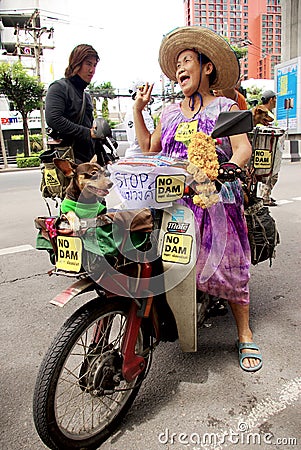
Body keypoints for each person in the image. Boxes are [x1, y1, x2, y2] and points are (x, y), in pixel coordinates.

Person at [133, 26, 262, 372]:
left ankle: (245, 331)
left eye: (186, 60)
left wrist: (229, 169)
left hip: (216, 198)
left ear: (207, 68)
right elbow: (149, 148)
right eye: (176, 64)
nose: (179, 69)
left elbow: (242, 147)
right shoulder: (171, 112)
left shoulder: (224, 106)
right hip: (176, 201)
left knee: (231, 265)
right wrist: (139, 110)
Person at [45, 44, 99, 164]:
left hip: (87, 162)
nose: (92, 70)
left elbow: (91, 131)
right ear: (76, 63)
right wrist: (86, 133)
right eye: (88, 64)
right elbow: (53, 118)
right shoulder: (59, 87)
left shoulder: (86, 96)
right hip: (68, 162)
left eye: (94, 65)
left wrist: (104, 156)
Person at [260, 90, 281, 206]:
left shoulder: (269, 113)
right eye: (275, 99)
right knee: (271, 174)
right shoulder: (263, 112)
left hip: (271, 148)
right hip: (266, 149)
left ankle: (265, 195)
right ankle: (265, 197)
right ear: (271, 99)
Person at [124, 81, 154, 158]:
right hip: (138, 157)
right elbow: (137, 138)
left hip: (144, 155)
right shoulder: (133, 113)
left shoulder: (144, 112)